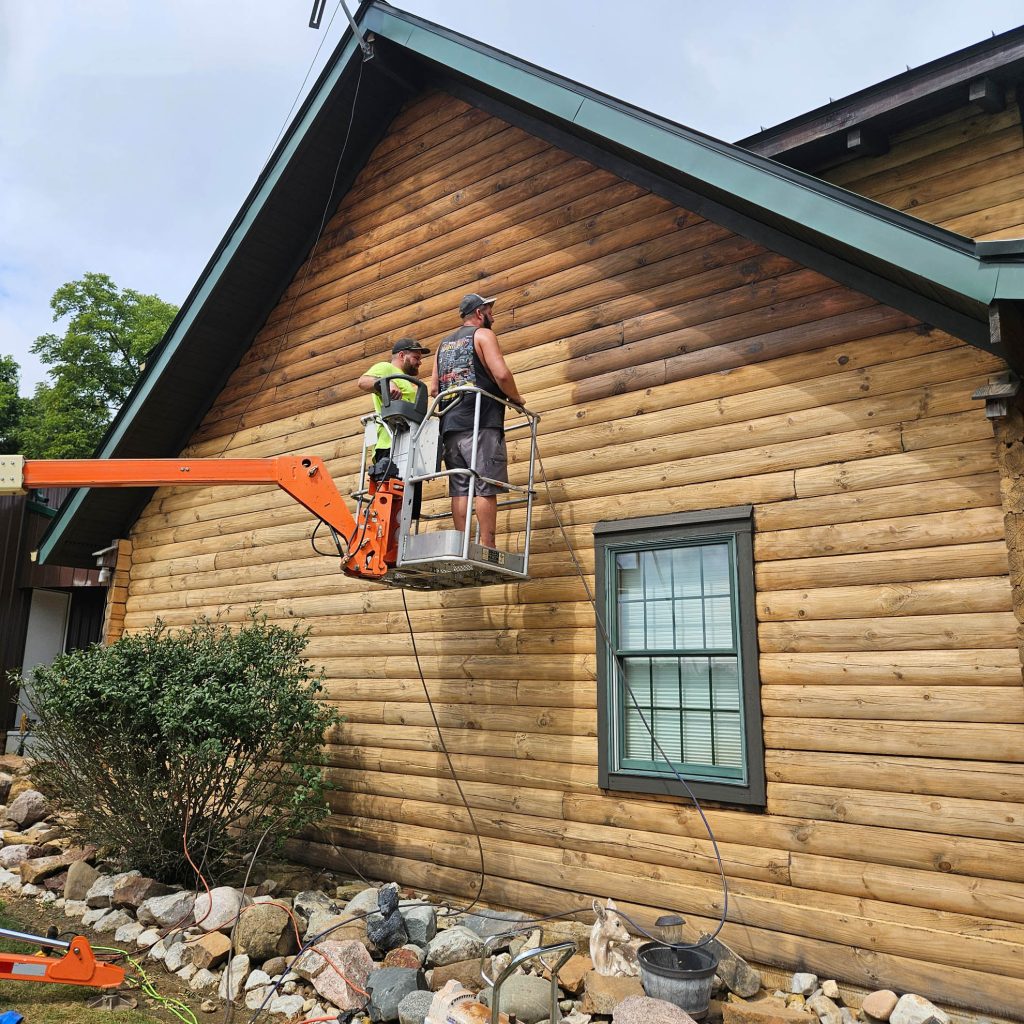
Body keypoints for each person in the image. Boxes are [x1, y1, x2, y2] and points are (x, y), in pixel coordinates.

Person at [429, 293, 524, 549]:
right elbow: (502, 374)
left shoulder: (443, 345)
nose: (493, 316)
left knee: (460, 487)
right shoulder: (483, 335)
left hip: (450, 424)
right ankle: (486, 546)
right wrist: (517, 399)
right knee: (485, 484)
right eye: (490, 311)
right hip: (480, 421)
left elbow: (434, 388)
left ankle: (462, 545)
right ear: (479, 314)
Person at [357, 337, 430, 515]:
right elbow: (362, 381)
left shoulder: (411, 383)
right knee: (390, 505)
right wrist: (385, 384)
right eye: (416, 357)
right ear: (402, 355)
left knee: (408, 509)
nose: (419, 362)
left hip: (412, 448)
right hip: (390, 445)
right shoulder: (386, 368)